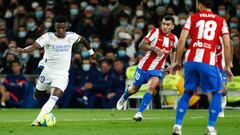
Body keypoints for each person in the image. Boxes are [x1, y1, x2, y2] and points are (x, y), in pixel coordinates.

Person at [16, 15, 96, 126]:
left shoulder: (71, 36)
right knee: (38, 95)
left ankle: (38, 120)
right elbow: (34, 46)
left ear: (66, 26)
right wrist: (24, 50)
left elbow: (83, 40)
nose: (61, 30)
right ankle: (43, 64)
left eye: (63, 28)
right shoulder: (48, 37)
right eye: (58, 28)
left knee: (55, 95)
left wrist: (91, 52)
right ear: (55, 27)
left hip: (61, 74)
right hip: (47, 72)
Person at [170, 0, 233, 135]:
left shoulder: (192, 18)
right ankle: (210, 128)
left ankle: (177, 126)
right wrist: (228, 65)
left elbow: (181, 40)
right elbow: (227, 44)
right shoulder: (221, 20)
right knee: (217, 92)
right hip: (208, 61)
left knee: (187, 92)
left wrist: (176, 61)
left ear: (199, 4)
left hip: (191, 59)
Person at [116, 15, 178, 121]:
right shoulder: (155, 32)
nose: (164, 26)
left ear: (172, 26)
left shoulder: (174, 39)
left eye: (168, 25)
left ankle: (139, 113)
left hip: (157, 69)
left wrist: (172, 64)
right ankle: (124, 97)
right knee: (134, 89)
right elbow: (141, 45)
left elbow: (174, 50)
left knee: (152, 86)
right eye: (163, 24)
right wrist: (154, 48)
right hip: (143, 67)